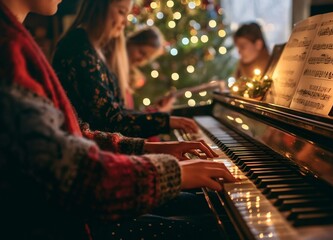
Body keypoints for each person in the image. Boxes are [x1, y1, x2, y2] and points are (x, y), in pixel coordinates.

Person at [0, 0, 236, 239]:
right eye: (122, 11)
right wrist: (174, 172)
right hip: (75, 224)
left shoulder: (18, 41)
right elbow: (77, 176)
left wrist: (149, 147)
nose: (125, 22)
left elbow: (78, 133)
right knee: (222, 226)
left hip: (82, 205)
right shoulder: (12, 48)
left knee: (212, 207)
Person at [52, 0, 197, 138]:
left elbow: (116, 112)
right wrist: (165, 121)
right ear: (101, 6)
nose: (126, 22)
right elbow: (110, 122)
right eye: (122, 12)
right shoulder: (79, 48)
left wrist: (160, 116)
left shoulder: (93, 49)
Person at [126, 26, 176, 112]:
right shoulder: (113, 70)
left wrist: (154, 112)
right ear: (131, 42)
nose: (141, 60)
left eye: (147, 58)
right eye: (141, 52)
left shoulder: (131, 77)